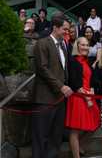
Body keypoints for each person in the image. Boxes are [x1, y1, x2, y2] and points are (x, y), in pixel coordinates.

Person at [32, 14, 73, 158]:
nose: (67, 32)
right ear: (55, 27)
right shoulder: (42, 43)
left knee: (56, 136)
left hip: (60, 100)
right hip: (45, 99)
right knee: (41, 136)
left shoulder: (64, 45)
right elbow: (42, 69)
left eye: (68, 30)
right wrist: (61, 86)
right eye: (65, 29)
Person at [65, 37, 100, 158]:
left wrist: (91, 91)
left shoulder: (87, 61)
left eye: (87, 45)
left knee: (96, 122)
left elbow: (90, 80)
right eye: (83, 45)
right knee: (75, 129)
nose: (85, 47)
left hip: (89, 96)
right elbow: (74, 82)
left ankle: (79, 145)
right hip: (78, 97)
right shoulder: (73, 61)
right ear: (77, 46)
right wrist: (87, 98)